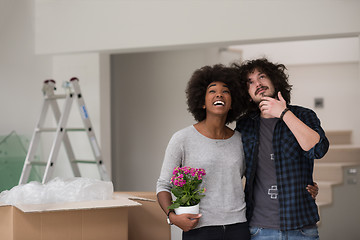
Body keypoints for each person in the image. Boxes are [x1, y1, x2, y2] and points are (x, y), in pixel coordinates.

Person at [232, 58, 329, 239]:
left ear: (275, 80)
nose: (258, 84)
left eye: (262, 76)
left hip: (301, 226)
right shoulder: (245, 126)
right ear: (247, 93)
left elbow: (318, 149)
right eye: (250, 82)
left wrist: (283, 114)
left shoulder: (303, 115)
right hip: (259, 228)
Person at [156, 64, 251, 240]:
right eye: (212, 91)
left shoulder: (241, 140)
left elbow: (255, 180)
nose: (219, 94)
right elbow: (163, 185)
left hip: (238, 227)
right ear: (202, 101)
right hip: (200, 229)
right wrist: (172, 217)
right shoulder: (182, 138)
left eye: (226, 91)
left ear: (232, 103)